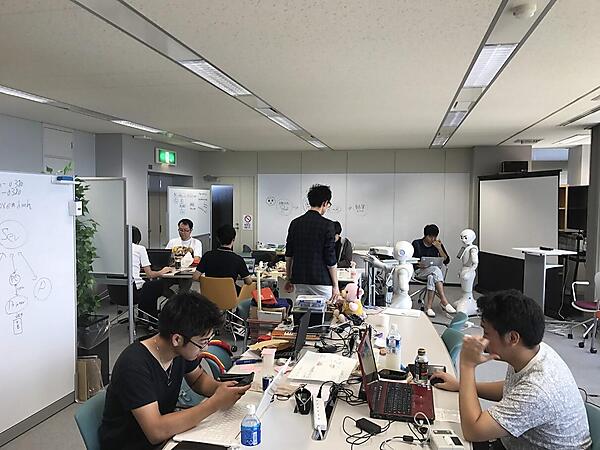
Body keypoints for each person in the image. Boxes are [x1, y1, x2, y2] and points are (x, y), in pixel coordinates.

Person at [432, 290, 591, 450]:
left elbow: (473, 431)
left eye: (486, 333)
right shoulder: (532, 351)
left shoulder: (538, 389)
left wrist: (467, 366)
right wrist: (461, 386)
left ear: (513, 338)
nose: (482, 340)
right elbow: (513, 388)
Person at [99, 291, 251, 450]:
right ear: (177, 339)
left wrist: (222, 389)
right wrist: (215, 403)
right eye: (202, 342)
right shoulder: (134, 365)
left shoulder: (179, 350)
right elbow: (156, 431)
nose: (205, 348)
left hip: (167, 436)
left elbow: (198, 379)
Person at [284, 184, 339, 301]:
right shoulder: (328, 225)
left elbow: (289, 255)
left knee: (302, 311)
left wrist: (289, 278)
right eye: (328, 204)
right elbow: (330, 258)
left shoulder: (295, 223)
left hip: (300, 279)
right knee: (323, 311)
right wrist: (336, 285)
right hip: (321, 280)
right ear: (325, 203)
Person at [192, 224, 252, 293]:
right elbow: (249, 281)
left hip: (209, 295)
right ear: (233, 239)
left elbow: (195, 277)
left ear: (218, 239)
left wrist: (207, 281)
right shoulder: (238, 259)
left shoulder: (207, 256)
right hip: (230, 296)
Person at [412, 223, 455, 317]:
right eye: (430, 237)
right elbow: (411, 259)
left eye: (435, 237)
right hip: (419, 272)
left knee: (431, 277)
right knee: (435, 269)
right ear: (425, 235)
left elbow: (446, 260)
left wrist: (439, 248)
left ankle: (429, 308)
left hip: (433, 274)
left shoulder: (437, 244)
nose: (433, 239)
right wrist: (418, 263)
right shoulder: (417, 243)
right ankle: (444, 301)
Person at [132, 226, 172, 321]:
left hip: (117, 290)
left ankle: (143, 315)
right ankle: (152, 319)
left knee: (149, 286)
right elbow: (150, 274)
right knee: (157, 285)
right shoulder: (140, 249)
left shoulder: (117, 249)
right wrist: (162, 272)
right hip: (134, 289)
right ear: (138, 239)